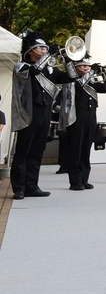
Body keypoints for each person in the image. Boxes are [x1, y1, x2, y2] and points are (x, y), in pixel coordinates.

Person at [10, 33, 75, 199]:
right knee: (23, 151)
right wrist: (47, 55)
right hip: (29, 113)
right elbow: (33, 71)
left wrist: (68, 59)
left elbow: (71, 77)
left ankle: (32, 186)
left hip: (45, 113)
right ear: (30, 51)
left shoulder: (49, 69)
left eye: (45, 47)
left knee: (37, 151)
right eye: (40, 47)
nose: (44, 49)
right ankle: (19, 188)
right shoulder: (22, 66)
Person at [57, 53, 106, 191]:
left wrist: (105, 73)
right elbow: (79, 85)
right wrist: (92, 71)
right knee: (76, 148)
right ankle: (75, 181)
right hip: (77, 116)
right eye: (83, 66)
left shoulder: (91, 81)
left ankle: (84, 179)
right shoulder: (72, 80)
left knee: (86, 148)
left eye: (88, 66)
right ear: (75, 68)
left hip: (91, 115)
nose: (86, 68)